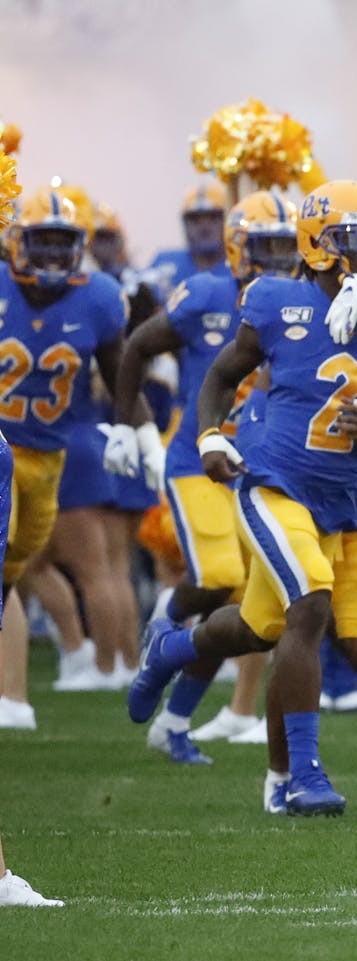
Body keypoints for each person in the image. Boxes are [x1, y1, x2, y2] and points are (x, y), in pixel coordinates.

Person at [126, 180, 357, 816]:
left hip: (352, 508)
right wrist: (210, 433)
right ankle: (300, 776)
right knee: (309, 604)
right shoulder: (274, 302)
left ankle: (172, 649)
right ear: (320, 246)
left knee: (311, 638)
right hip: (276, 485)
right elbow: (220, 375)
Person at [111, 189, 300, 760]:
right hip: (198, 460)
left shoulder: (300, 303)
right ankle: (163, 624)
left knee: (244, 613)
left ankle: (173, 722)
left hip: (256, 468)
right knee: (217, 576)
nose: (278, 261)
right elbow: (137, 345)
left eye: (287, 249)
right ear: (240, 249)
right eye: (266, 248)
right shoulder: (210, 293)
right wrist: (131, 423)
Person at [0, 190, 131, 731]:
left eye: (64, 242)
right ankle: (19, 695)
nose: (53, 254)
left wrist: (133, 427)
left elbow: (122, 368)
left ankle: (92, 664)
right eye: (42, 240)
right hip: (5, 446)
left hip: (52, 453)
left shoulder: (98, 296)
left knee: (15, 572)